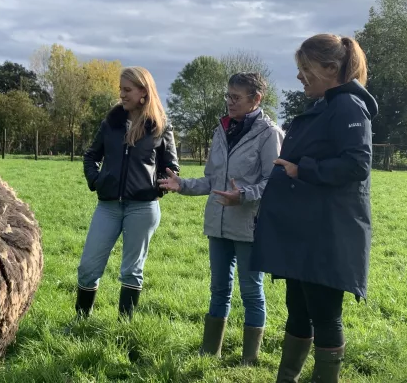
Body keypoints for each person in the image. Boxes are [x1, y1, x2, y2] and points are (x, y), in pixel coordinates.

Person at [249, 34, 377, 382]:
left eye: (306, 69)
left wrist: (301, 169)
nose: (300, 76)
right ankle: (286, 378)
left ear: (331, 68)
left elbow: (357, 163)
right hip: (306, 230)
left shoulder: (349, 106)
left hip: (327, 232)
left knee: (324, 313)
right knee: (298, 309)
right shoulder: (326, 105)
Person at [160, 72, 283, 365]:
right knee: (218, 289)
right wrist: (183, 185)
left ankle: (249, 359)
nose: (229, 102)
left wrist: (243, 195)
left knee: (252, 292)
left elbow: (274, 183)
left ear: (256, 99)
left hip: (249, 226)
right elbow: (212, 179)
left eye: (236, 97)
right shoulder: (221, 130)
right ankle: (209, 352)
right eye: (227, 96)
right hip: (218, 224)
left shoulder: (270, 134)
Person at [76, 66, 179, 320]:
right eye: (120, 89)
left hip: (143, 208)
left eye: (127, 90)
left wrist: (156, 187)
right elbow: (91, 155)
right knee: (88, 267)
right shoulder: (111, 123)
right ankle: (80, 321)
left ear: (144, 91)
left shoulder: (161, 126)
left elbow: (171, 168)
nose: (121, 95)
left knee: (132, 271)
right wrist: (96, 181)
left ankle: (124, 326)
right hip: (108, 206)